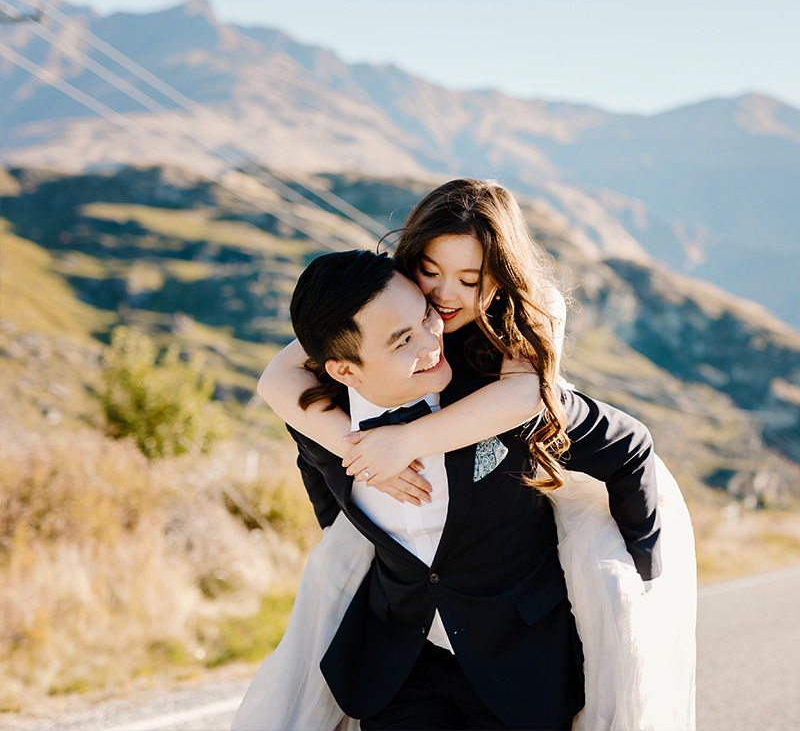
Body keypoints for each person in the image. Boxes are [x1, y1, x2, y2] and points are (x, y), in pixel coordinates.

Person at [237, 179, 696, 730]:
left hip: (517, 660)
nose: (443, 298)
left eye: (471, 279)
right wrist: (358, 452)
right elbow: (288, 385)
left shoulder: (515, 350)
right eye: (430, 272)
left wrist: (641, 578)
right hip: (401, 661)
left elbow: (587, 425)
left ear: (500, 279)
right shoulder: (369, 325)